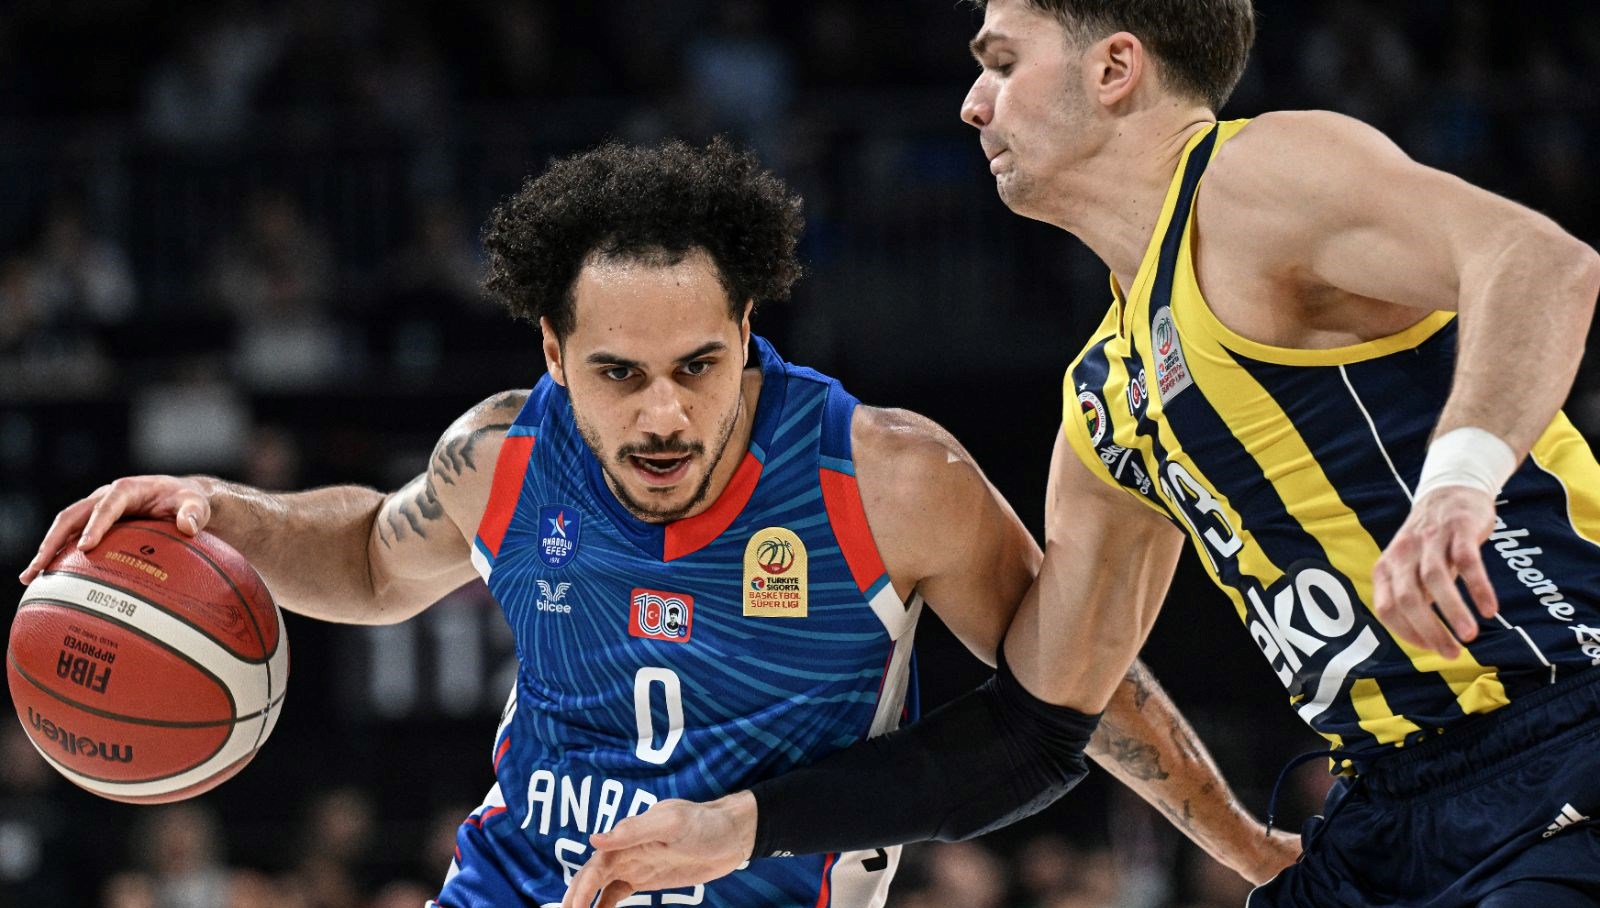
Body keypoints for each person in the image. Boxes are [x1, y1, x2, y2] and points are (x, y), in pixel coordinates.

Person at [18, 139, 1292, 908]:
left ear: (747, 330)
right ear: (553, 352)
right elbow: (364, 557)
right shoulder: (504, 452)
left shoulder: (886, 476)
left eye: (699, 364)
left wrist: (1242, 846)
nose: (665, 413)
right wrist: (228, 515)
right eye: (618, 374)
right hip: (520, 882)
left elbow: (1070, 686)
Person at [561, 3, 1600, 908]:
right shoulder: (1106, 396)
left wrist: (1457, 487)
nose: (972, 103)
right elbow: (1035, 730)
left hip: (1566, 721)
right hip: (1390, 806)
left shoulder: (1252, 178)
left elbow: (1540, 262)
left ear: (1114, 67)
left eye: (1002, 62)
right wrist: (743, 824)